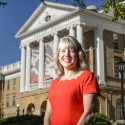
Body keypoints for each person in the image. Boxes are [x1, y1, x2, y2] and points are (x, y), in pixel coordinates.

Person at [44, 36, 100, 125]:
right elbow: (48, 117)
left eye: (71, 51)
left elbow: (89, 113)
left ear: (78, 55)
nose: (66, 54)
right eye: (63, 51)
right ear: (58, 56)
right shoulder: (54, 82)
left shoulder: (87, 76)